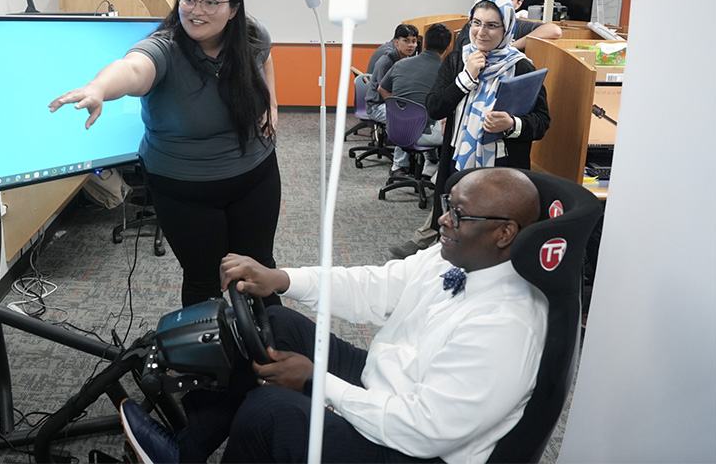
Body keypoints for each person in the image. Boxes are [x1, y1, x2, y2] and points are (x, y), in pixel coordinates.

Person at [119, 167, 546, 464]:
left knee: (269, 412)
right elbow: (376, 287)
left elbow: (422, 430)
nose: (442, 219)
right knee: (279, 325)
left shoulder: (506, 325)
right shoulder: (456, 253)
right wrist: (281, 279)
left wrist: (316, 382)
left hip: (416, 448)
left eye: (458, 213)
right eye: (447, 205)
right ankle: (185, 450)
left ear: (505, 233)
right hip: (390, 384)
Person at [48, 0, 281, 308]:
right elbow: (132, 69)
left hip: (254, 174)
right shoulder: (165, 47)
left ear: (233, 9)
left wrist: (272, 104)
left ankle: (269, 349)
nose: (196, 11)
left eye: (210, 2)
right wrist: (98, 88)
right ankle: (208, 358)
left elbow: (264, 59)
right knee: (204, 278)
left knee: (259, 270)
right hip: (184, 187)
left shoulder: (250, 34)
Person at [390, 0, 550, 260]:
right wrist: (465, 79)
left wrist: (512, 124)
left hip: (502, 168)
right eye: (476, 23)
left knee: (491, 235)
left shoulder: (521, 67)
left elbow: (543, 122)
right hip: (457, 161)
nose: (481, 32)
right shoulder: (457, 60)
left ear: (507, 28)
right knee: (452, 225)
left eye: (491, 25)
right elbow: (435, 107)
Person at [377, 22, 452, 175]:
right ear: (449, 46)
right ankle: (436, 171)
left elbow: (382, 89)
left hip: (395, 129)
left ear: (423, 43)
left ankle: (402, 165)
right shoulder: (446, 72)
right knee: (453, 129)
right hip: (422, 135)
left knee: (416, 114)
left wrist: (396, 110)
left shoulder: (400, 64)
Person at [453, 0, 562, 52]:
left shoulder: (519, 26)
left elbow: (554, 30)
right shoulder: (472, 26)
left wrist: (509, 47)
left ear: (519, 4)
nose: (500, 1)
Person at [365, 24, 418, 125]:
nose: (411, 45)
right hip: (377, 106)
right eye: (406, 41)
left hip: (394, 101)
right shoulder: (386, 62)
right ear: (396, 42)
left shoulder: (406, 60)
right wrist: (401, 109)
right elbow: (384, 91)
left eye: (414, 41)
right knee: (408, 119)